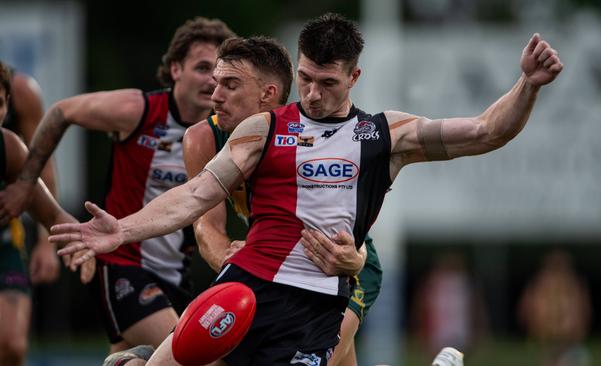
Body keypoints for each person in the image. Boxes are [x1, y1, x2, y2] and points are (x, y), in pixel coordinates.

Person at [53, 12, 563, 366]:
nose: (314, 95)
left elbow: (486, 132)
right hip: (244, 285)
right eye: (305, 79)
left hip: (318, 307)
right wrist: (121, 230)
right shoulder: (263, 128)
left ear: (354, 76)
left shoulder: (385, 135)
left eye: (328, 83)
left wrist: (528, 86)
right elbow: (196, 196)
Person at [0, 18, 236, 354]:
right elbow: (61, 111)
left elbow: (210, 224)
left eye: (218, 72)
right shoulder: (138, 110)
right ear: (175, 69)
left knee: (131, 359)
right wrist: (25, 183)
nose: (210, 80)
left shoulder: (219, 136)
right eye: (201, 67)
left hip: (176, 277)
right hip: (123, 266)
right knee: (189, 354)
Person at [181, 36, 381, 366]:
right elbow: (206, 229)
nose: (214, 97)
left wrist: (355, 262)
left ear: (268, 94)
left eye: (230, 85)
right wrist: (238, 266)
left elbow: (355, 234)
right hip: (272, 268)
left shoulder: (316, 133)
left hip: (336, 271)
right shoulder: (203, 137)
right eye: (217, 84)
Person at [0, 61, 81, 366]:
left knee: (11, 344)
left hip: (5, 238)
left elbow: (44, 187)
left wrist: (58, 242)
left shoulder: (9, 146)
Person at [519, 249, 591, 366]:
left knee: (559, 355)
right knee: (552, 355)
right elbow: (527, 307)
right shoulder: (541, 283)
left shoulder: (572, 284)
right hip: (551, 331)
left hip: (561, 332)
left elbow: (583, 307)